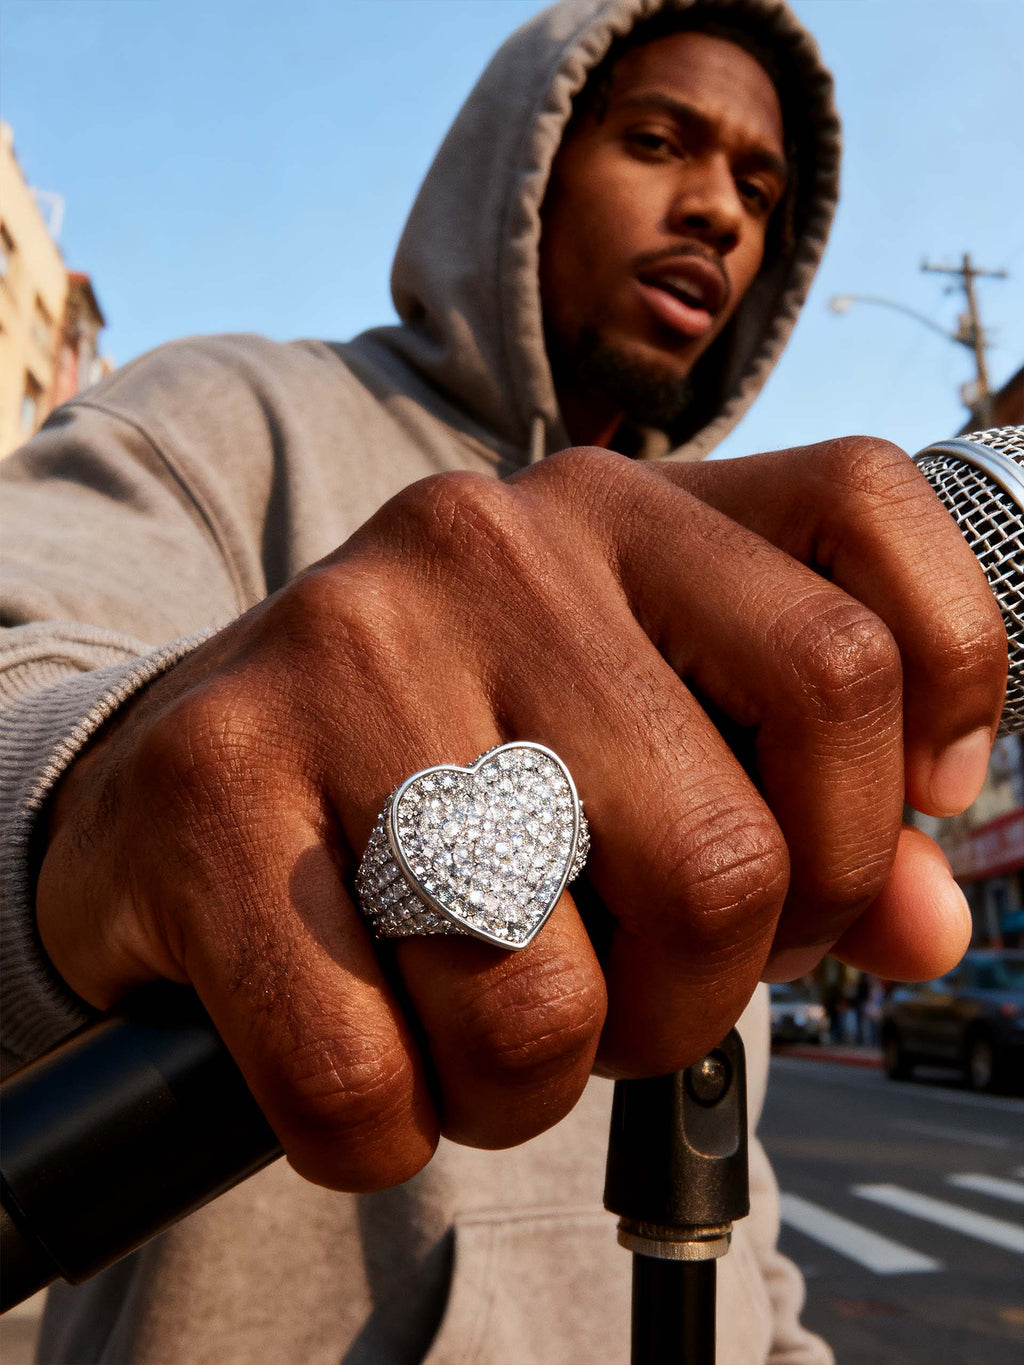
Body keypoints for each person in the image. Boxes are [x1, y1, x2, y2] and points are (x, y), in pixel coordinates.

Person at [0, 0, 1006, 1361]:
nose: (717, 209)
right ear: (521, 167)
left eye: (759, 190)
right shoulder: (226, 415)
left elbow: (732, 1155)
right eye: (661, 141)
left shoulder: (736, 620)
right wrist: (104, 809)